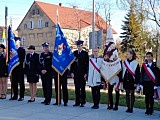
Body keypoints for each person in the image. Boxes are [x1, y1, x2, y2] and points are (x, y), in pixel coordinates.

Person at [70, 40, 89, 107]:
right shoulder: (74, 53)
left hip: (82, 73)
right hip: (76, 73)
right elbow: (72, 64)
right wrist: (71, 72)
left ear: (82, 46)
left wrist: (86, 73)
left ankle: (83, 101)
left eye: (80, 46)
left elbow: (87, 64)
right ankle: (77, 101)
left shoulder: (85, 53)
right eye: (78, 46)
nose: (79, 47)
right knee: (77, 88)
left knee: (82, 88)